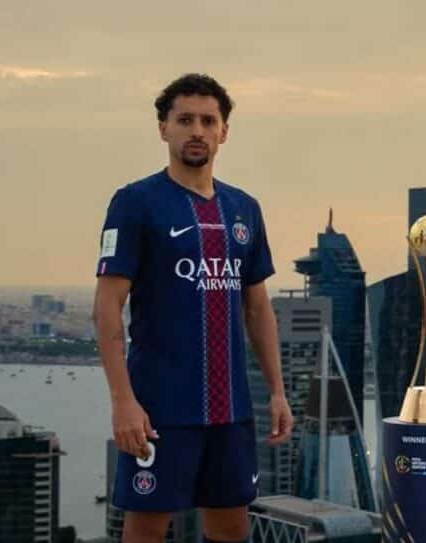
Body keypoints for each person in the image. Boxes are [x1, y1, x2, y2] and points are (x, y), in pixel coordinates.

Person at [93, 73, 293, 543]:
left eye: (208, 121)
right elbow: (107, 307)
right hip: (160, 407)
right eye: (185, 120)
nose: (197, 131)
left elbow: (258, 308)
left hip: (231, 409)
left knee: (230, 527)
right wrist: (123, 402)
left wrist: (278, 391)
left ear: (224, 131)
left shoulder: (244, 208)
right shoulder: (136, 203)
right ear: (163, 128)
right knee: (147, 529)